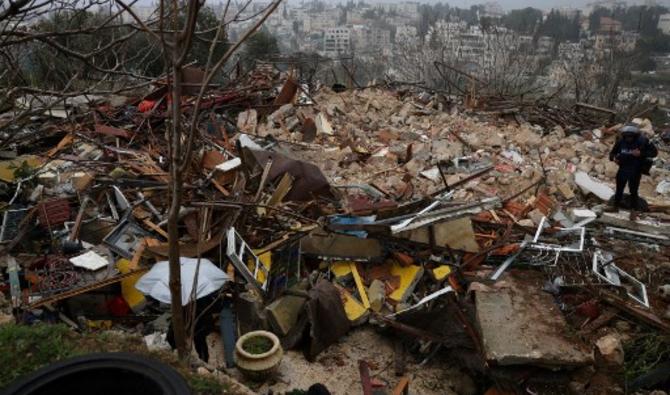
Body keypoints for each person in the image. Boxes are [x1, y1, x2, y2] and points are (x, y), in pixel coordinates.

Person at [608, 123, 658, 219]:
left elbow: (654, 153)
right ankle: (615, 207)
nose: (628, 139)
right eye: (626, 137)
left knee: (633, 191)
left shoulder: (643, 141)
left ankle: (633, 210)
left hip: (636, 169)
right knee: (619, 189)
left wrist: (641, 153)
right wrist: (613, 158)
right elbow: (612, 152)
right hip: (623, 167)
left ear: (635, 136)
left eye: (630, 137)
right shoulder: (621, 141)